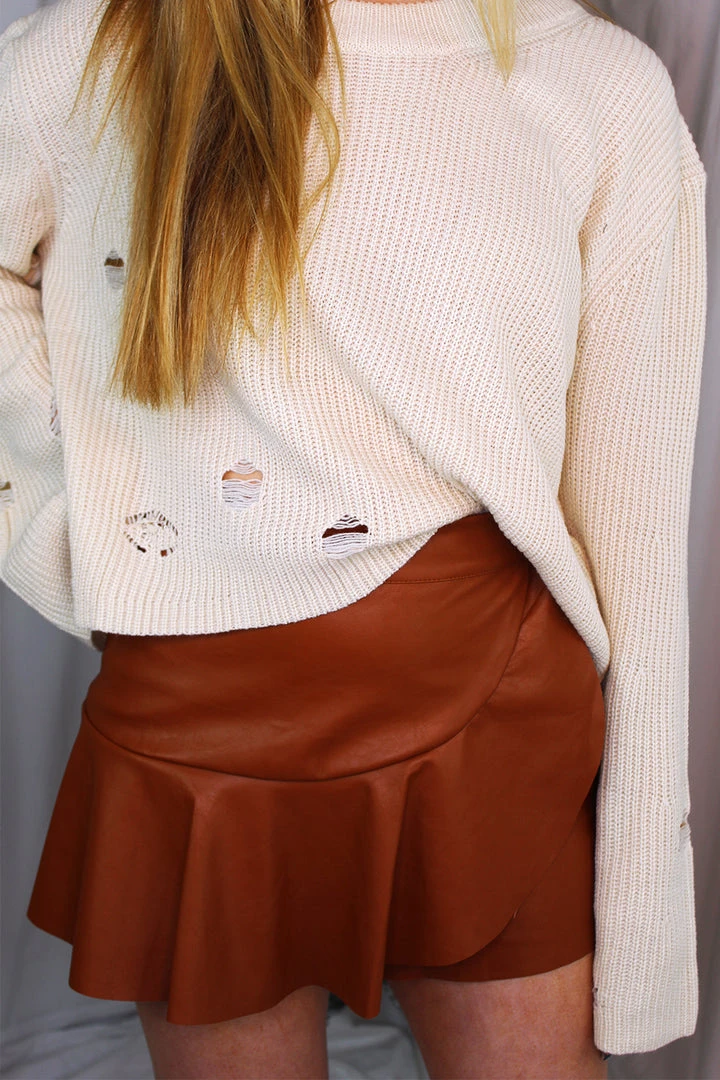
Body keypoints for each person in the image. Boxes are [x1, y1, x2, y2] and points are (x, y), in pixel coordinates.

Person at [0, 0, 706, 1075]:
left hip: (494, 718)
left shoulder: (597, 85)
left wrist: (647, 907)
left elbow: (636, 528)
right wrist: (81, 525)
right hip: (193, 736)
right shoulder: (113, 44)